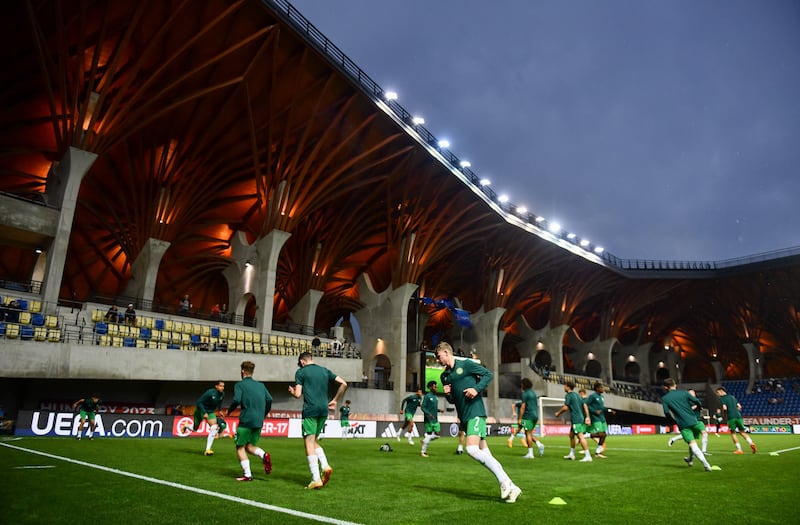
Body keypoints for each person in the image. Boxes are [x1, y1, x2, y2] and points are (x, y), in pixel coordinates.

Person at [435, 342, 521, 503]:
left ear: (446, 352)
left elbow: (488, 374)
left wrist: (476, 389)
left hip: (475, 412)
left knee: (471, 449)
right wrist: (447, 395)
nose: (438, 360)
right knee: (486, 453)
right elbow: (453, 400)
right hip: (464, 417)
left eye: (439, 357)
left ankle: (504, 482)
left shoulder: (466, 364)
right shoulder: (444, 376)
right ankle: (513, 486)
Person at [289, 351, 348, 489]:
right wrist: (335, 400)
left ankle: (316, 478)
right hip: (323, 409)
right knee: (314, 440)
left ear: (302, 361)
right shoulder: (324, 370)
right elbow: (344, 383)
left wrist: (292, 392)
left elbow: (298, 394)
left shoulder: (301, 372)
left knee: (308, 443)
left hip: (310, 409)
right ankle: (325, 466)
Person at [225, 361, 272, 481]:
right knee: (249, 446)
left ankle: (247, 475)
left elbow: (236, 400)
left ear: (242, 371)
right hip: (258, 421)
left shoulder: (240, 385)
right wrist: (264, 413)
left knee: (240, 447)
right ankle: (264, 455)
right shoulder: (261, 385)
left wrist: (229, 411)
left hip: (246, 420)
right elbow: (269, 399)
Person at [661, 378, 712, 471]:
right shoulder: (684, 393)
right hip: (694, 420)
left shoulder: (665, 398)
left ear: (665, 387)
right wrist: (699, 407)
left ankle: (706, 465)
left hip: (683, 423)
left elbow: (666, 412)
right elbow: (697, 401)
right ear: (675, 385)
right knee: (695, 441)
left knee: (692, 444)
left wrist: (672, 420)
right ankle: (692, 460)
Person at [183, 380, 225, 455]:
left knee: (214, 427)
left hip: (210, 412)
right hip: (200, 410)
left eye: (223, 386)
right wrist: (204, 412)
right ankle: (186, 426)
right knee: (195, 429)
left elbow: (220, 402)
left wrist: (219, 410)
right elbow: (199, 402)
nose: (222, 388)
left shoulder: (222, 394)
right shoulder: (210, 392)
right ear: (216, 386)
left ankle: (208, 450)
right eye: (220, 386)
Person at [554, 381, 592, 462]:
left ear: (568, 387)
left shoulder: (569, 395)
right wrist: (587, 417)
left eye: (565, 386)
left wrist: (558, 413)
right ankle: (571, 454)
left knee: (580, 436)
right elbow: (584, 405)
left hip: (576, 419)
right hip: (580, 418)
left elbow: (565, 407)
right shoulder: (577, 395)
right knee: (571, 435)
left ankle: (588, 456)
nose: (564, 387)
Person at [716, 386, 756, 454]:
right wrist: (735, 411)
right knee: (742, 432)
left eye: (717, 392)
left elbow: (725, 408)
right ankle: (751, 443)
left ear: (721, 391)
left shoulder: (722, 399)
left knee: (733, 433)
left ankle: (739, 449)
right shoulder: (732, 397)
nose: (717, 394)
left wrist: (725, 415)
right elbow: (739, 406)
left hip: (731, 417)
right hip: (738, 416)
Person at [668, 388, 708, 455]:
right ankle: (673, 439)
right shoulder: (686, 402)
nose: (693, 394)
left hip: (698, 420)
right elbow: (686, 410)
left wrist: (701, 412)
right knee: (691, 438)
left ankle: (703, 451)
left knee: (704, 434)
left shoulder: (697, 401)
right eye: (691, 393)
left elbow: (699, 410)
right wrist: (694, 407)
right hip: (690, 421)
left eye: (694, 393)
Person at [518, 378, 545, 458]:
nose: (521, 386)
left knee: (528, 434)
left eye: (522, 384)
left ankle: (530, 453)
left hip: (528, 415)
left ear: (524, 385)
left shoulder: (525, 394)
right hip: (535, 416)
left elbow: (523, 407)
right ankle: (539, 444)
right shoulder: (533, 393)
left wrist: (520, 418)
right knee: (528, 433)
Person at [586, 381, 614, 458]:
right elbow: (586, 405)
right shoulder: (593, 396)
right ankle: (587, 435)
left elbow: (602, 407)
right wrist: (594, 411)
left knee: (604, 435)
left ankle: (597, 453)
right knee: (601, 434)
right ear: (597, 388)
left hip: (602, 418)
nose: (603, 389)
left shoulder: (602, 397)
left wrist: (609, 410)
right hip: (596, 418)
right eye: (601, 387)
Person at [420, 381, 442, 457]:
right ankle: (423, 452)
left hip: (435, 419)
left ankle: (424, 441)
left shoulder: (435, 397)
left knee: (437, 435)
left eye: (436, 386)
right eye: (434, 386)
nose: (436, 388)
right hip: (428, 419)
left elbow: (433, 408)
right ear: (430, 387)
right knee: (429, 434)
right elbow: (423, 407)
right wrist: (428, 414)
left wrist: (439, 410)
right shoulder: (427, 396)